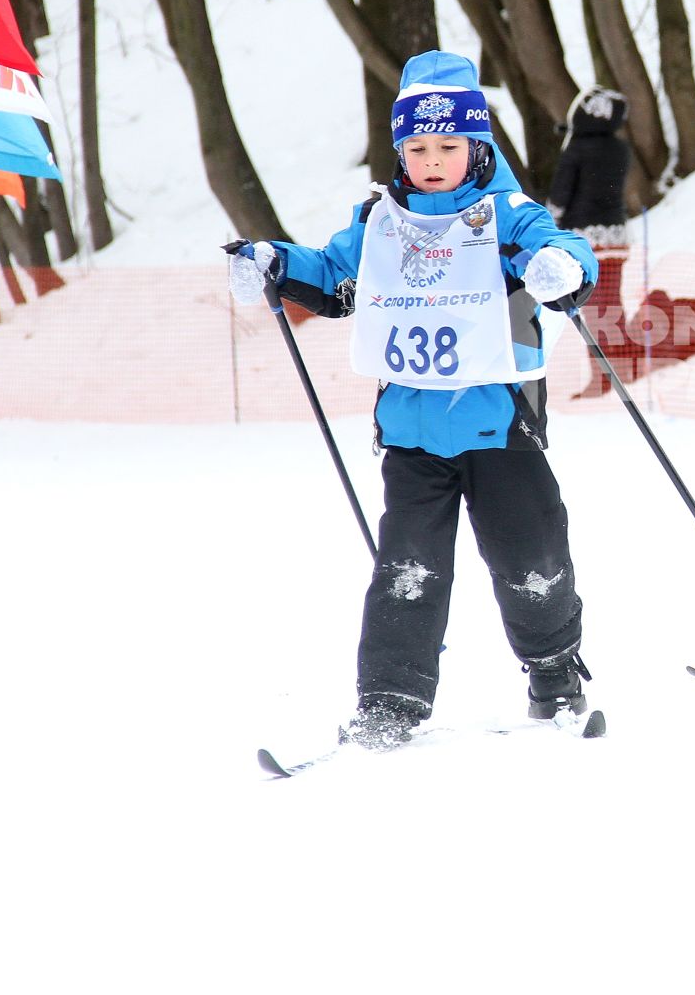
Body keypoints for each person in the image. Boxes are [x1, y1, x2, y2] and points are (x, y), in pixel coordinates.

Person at [225, 51, 600, 748]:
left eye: (448, 146)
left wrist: (562, 268)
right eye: (417, 146)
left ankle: (554, 674)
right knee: (408, 570)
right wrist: (274, 262)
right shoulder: (381, 219)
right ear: (400, 149)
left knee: (531, 558)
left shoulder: (505, 213)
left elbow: (559, 246)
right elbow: (335, 276)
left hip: (500, 423)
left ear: (476, 145)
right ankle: (390, 700)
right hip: (412, 430)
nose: (432, 159)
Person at [548, 86, 633, 398]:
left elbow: (560, 195)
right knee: (613, 305)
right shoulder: (620, 148)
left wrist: (548, 226)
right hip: (617, 236)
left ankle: (601, 377)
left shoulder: (577, 150)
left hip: (584, 240)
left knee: (594, 310)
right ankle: (621, 370)